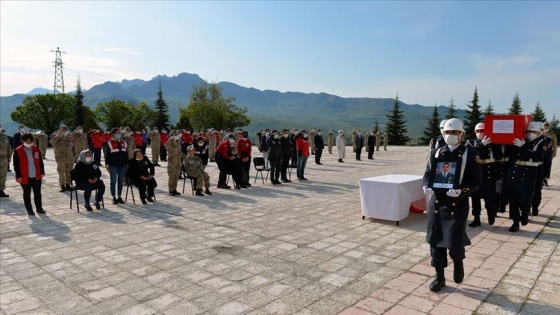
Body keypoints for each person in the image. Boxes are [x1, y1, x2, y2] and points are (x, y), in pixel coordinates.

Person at [423, 118, 481, 292]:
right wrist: (426, 184)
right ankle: (439, 277)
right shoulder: (436, 152)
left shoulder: (470, 153)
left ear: (462, 134)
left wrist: (462, 190)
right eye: (448, 132)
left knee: (455, 240)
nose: (450, 135)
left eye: (454, 132)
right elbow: (428, 173)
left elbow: (476, 181)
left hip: (457, 203)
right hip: (438, 203)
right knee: (435, 241)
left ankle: (458, 263)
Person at [505, 121, 547, 232]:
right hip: (515, 171)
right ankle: (515, 222)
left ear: (538, 133)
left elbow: (537, 157)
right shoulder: (520, 140)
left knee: (525, 200)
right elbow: (511, 158)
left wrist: (523, 146)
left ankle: (524, 213)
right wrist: (514, 146)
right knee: (513, 199)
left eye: (533, 132)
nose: (530, 134)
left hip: (529, 174)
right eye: (528, 131)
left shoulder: (542, 143)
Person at [466, 122, 503, 227]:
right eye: (477, 131)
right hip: (476, 172)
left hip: (488, 172)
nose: (480, 133)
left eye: (482, 131)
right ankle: (476, 218)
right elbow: (471, 154)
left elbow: (499, 156)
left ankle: (491, 214)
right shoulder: (470, 142)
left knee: (489, 197)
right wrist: (482, 144)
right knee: (475, 197)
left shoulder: (492, 142)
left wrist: (494, 144)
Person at [13, 133, 45, 215]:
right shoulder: (18, 151)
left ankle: (39, 208)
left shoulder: (35, 149)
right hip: (25, 176)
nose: (29, 143)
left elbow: (40, 161)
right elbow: (16, 165)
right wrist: (18, 176)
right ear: (22, 141)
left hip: (36, 175)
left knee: (37, 193)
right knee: (27, 193)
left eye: (30, 141)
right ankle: (29, 209)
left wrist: (42, 172)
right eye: (27, 141)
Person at [104, 128, 128, 204]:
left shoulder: (124, 142)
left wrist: (127, 163)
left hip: (122, 165)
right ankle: (114, 197)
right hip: (113, 165)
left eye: (120, 133)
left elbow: (126, 154)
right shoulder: (109, 143)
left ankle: (119, 196)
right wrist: (107, 165)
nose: (119, 134)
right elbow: (106, 155)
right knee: (113, 181)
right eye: (117, 133)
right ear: (113, 134)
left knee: (120, 181)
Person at [50, 125, 75, 192]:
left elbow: (73, 148)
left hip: (70, 158)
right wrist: (58, 135)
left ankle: (68, 185)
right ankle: (62, 186)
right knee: (61, 172)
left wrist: (74, 157)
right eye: (63, 131)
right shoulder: (56, 138)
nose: (65, 132)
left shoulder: (69, 138)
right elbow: (51, 142)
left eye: (66, 131)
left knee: (69, 172)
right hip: (61, 159)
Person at [165, 131, 182, 196]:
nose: (176, 136)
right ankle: (171, 190)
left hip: (178, 162)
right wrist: (171, 141)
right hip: (172, 163)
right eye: (175, 135)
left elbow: (179, 151)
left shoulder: (178, 142)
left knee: (176, 177)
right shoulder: (169, 142)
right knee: (172, 177)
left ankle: (174, 189)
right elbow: (167, 148)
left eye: (177, 135)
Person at [542, 121, 557, 187]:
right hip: (541, 151)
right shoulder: (540, 132)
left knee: (547, 165)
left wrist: (554, 153)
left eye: (547, 125)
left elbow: (555, 144)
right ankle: (541, 179)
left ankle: (546, 179)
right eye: (545, 125)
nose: (546, 126)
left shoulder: (552, 134)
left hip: (548, 151)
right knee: (540, 165)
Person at [0, 125, 13, 197]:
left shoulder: (5, 137)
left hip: (3, 159)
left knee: (3, 175)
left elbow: (9, 148)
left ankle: (1, 190)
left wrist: (9, 158)